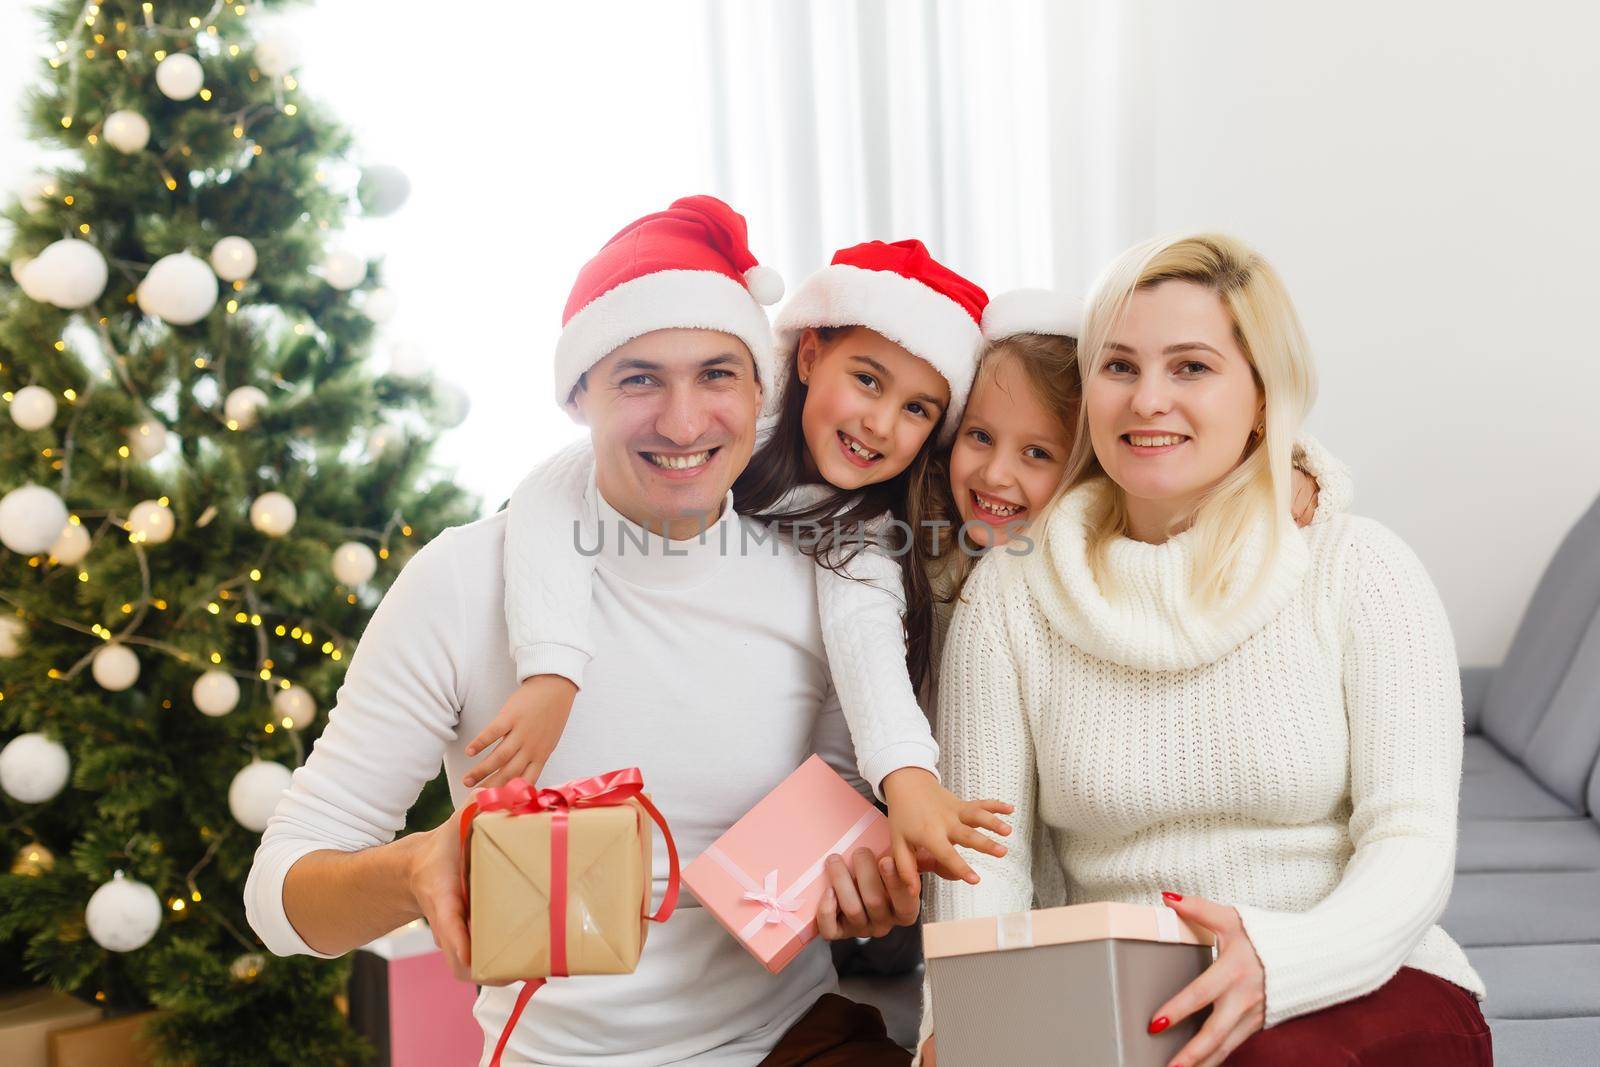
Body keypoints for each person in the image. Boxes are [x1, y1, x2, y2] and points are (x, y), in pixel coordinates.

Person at [245, 195, 921, 1066]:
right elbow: (279, 898)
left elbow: (842, 803)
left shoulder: (822, 575)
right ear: (578, 396)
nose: (682, 422)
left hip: (787, 1041)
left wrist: (864, 879)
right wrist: (412, 870)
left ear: (762, 390)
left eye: (717, 373)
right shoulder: (463, 583)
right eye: (639, 377)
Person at [919, 234, 1490, 1067]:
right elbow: (985, 863)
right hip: (1126, 1003)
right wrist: (962, 1027)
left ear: (1263, 396)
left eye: (1190, 367)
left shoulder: (1360, 568)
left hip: (1364, 977)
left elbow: (1411, 838)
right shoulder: (1012, 597)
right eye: (1119, 367)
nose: (1148, 399)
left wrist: (1281, 962)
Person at [475, 239, 1015, 889]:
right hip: (671, 731)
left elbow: (865, 636)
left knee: (775, 886)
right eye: (867, 380)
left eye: (916, 409)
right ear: (810, 354)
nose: (879, 423)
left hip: (817, 797)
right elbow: (560, 480)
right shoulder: (719, 425)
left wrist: (910, 779)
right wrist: (551, 673)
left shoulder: (867, 534)